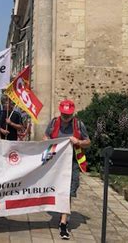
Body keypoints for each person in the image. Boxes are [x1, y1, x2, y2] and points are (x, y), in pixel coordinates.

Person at [43, 99, 91, 240]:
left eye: (68, 115)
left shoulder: (78, 124)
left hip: (72, 163)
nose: (65, 118)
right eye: (63, 115)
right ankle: (61, 213)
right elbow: (46, 136)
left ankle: (63, 222)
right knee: (57, 188)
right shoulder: (53, 123)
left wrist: (79, 142)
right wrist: (46, 140)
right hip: (56, 163)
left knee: (69, 190)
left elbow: (88, 142)